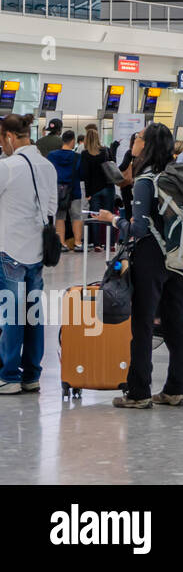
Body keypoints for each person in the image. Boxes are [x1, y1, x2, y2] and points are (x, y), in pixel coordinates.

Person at [95, 124, 183, 408]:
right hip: (179, 256)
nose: (133, 143)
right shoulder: (177, 176)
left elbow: (138, 229)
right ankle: (175, 388)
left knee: (143, 324)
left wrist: (112, 220)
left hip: (150, 257)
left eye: (137, 139)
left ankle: (139, 391)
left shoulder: (147, 180)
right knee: (175, 323)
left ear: (145, 145)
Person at [0, 113, 56, 394]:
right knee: (33, 312)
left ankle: (9, 376)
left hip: (10, 249)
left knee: (11, 313)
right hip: (37, 252)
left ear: (9, 137)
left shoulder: (7, 167)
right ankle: (32, 375)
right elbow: (51, 209)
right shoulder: (48, 166)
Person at [80, 124, 113, 252]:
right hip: (108, 187)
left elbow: (85, 174)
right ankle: (110, 243)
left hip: (94, 190)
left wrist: (88, 193)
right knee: (109, 216)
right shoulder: (105, 151)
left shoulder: (85, 154)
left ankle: (97, 244)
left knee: (95, 217)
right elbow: (112, 165)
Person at [47, 130, 82, 251]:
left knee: (60, 217)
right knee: (76, 217)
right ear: (72, 141)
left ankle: (61, 243)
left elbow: (49, 172)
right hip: (74, 190)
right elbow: (81, 173)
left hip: (58, 191)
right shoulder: (77, 157)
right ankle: (78, 243)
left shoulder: (52, 155)